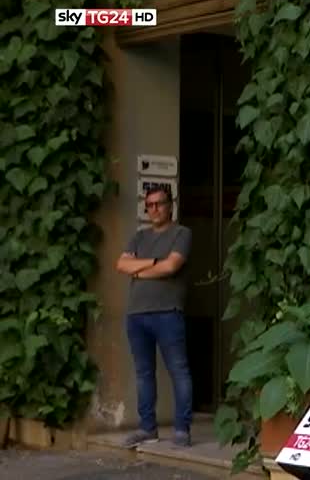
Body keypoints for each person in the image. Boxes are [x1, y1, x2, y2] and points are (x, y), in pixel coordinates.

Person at [115, 185, 194, 448]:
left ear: (170, 206)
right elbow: (121, 265)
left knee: (178, 371)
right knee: (143, 373)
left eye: (159, 204)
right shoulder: (139, 237)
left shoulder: (181, 233)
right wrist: (153, 263)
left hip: (168, 312)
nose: (154, 209)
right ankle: (147, 428)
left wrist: (138, 269)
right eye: (149, 205)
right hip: (136, 314)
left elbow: (171, 266)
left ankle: (182, 430)